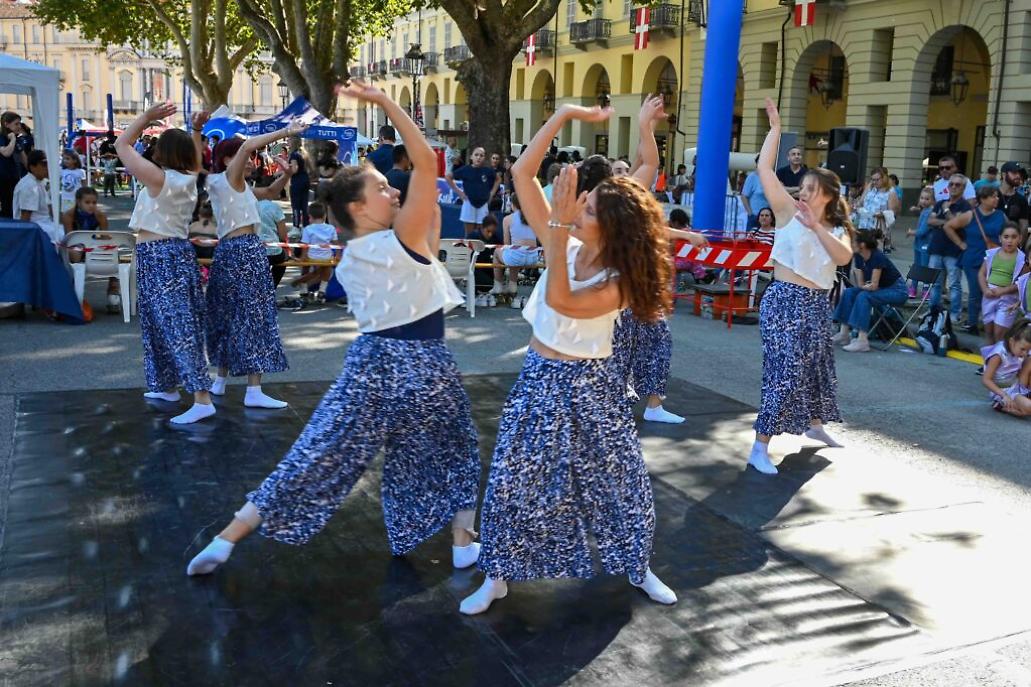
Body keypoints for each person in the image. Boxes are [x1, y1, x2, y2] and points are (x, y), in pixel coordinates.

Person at [186, 80, 481, 579]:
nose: (392, 190)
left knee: (319, 454)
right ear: (359, 208)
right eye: (381, 188)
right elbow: (427, 165)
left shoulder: (360, 253)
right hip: (423, 365)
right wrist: (386, 103)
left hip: (371, 364)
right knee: (457, 450)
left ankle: (226, 537)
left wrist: (423, 199)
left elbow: (426, 221)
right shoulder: (398, 242)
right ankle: (461, 541)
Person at [460, 103, 677, 616]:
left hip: (593, 381)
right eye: (584, 200)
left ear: (613, 227)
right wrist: (561, 115)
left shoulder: (620, 277)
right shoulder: (565, 231)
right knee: (515, 476)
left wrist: (555, 230)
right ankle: (497, 574)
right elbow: (521, 172)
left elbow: (562, 299)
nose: (580, 206)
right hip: (540, 374)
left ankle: (638, 565)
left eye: (592, 207)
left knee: (618, 479)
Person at [748, 98, 854, 476]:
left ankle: (814, 424)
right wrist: (775, 130)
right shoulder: (786, 212)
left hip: (816, 303)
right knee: (784, 371)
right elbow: (763, 168)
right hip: (783, 299)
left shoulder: (835, 228)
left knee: (816, 367)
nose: (803, 192)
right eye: (803, 186)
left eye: (811, 188)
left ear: (828, 195)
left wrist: (817, 227)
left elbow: (842, 258)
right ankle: (760, 446)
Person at [114, 102, 215, 425]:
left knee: (176, 324)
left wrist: (145, 118)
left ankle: (202, 397)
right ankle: (166, 385)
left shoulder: (160, 179)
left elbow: (121, 145)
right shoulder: (185, 178)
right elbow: (197, 161)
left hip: (161, 255)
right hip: (163, 254)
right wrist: (196, 131)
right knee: (160, 323)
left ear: (163, 152)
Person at [200, 120, 306, 409]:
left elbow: (270, 193)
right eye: (245, 157)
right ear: (226, 159)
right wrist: (287, 131)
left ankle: (220, 381)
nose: (251, 160)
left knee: (226, 316)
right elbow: (247, 144)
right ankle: (253, 389)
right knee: (255, 318)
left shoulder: (233, 185)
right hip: (245, 251)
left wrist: (286, 176)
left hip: (230, 252)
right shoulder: (228, 179)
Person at [831, 232, 907, 352]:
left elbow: (874, 286)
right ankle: (843, 334)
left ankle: (862, 341)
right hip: (879, 289)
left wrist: (865, 286)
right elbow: (861, 284)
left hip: (897, 290)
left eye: (853, 242)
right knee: (849, 292)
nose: (850, 244)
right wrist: (861, 280)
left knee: (864, 296)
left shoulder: (877, 256)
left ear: (862, 245)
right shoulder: (858, 256)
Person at [63, 187, 121, 313]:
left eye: (94, 203)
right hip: (75, 245)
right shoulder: (69, 215)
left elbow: (105, 237)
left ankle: (113, 289)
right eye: (87, 202)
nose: (91, 206)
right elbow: (69, 238)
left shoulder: (99, 216)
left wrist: (105, 247)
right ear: (78, 202)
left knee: (113, 254)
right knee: (75, 253)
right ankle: (72, 287)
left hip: (92, 244)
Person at [927, 174, 974, 322]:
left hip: (953, 251)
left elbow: (956, 222)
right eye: (951, 184)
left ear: (964, 188)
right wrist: (947, 220)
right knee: (934, 284)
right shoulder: (939, 202)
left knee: (954, 284)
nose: (953, 187)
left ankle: (955, 314)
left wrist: (947, 212)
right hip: (936, 248)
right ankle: (932, 312)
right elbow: (930, 221)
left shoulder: (965, 206)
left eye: (957, 185)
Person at [962, 187, 1007, 332]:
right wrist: (960, 244)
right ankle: (972, 322)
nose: (997, 199)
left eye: (997, 196)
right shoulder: (971, 214)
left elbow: (1009, 232)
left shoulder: (1001, 215)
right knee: (975, 292)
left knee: (992, 293)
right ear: (982, 199)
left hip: (994, 260)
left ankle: (987, 322)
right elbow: (949, 226)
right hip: (974, 257)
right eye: (993, 196)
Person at [979, 223, 1027, 345]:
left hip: (1008, 299)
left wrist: (1003, 291)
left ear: (1019, 238)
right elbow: (982, 274)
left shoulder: (1022, 259)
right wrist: (985, 290)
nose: (1009, 241)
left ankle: (1000, 360)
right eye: (1006, 237)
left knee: (999, 333)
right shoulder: (992, 254)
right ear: (1000, 238)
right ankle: (989, 361)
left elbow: (1022, 282)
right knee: (989, 331)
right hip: (989, 295)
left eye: (1013, 237)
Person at [490, 193, 540, 305]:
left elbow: (507, 244)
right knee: (516, 253)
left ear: (513, 204)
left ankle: (498, 286)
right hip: (533, 257)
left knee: (498, 251)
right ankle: (512, 287)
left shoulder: (507, 219)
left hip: (516, 256)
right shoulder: (534, 218)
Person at [980, 318, 1031, 417]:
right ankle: (1003, 405)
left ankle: (1023, 403)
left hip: (1016, 385)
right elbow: (986, 380)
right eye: (1023, 349)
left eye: (1028, 350)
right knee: (1029, 407)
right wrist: (1004, 395)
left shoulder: (1018, 350)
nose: (1025, 353)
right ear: (1012, 341)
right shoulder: (998, 354)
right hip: (1004, 391)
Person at [447, 146, 500, 238]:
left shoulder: (487, 171)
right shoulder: (465, 169)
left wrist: (492, 193)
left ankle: (480, 250)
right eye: (476, 155)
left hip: (483, 203)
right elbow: (448, 177)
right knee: (469, 232)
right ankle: (469, 249)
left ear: (484, 158)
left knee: (482, 231)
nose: (478, 157)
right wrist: (459, 192)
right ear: (471, 157)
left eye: (481, 155)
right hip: (469, 202)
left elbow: (498, 179)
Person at [13, 150, 61, 247]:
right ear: (32, 167)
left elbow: (49, 209)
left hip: (45, 225)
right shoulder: (29, 186)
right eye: (43, 164)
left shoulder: (40, 182)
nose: (47, 167)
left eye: (47, 164)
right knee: (65, 238)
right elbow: (25, 219)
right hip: (37, 230)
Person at [292, 201, 339, 295]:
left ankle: (303, 288)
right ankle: (322, 289)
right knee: (327, 269)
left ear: (310, 216)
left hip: (311, 256)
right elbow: (335, 243)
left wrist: (302, 257)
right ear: (324, 216)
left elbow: (305, 245)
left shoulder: (308, 229)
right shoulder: (331, 228)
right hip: (326, 256)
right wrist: (337, 254)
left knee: (305, 267)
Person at [855, 167, 901, 252]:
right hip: (863, 225)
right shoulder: (870, 187)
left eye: (877, 179)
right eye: (872, 179)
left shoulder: (891, 192)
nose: (874, 182)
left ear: (884, 178)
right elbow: (861, 202)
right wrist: (856, 206)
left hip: (876, 227)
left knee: (873, 252)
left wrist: (882, 214)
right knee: (861, 251)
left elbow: (893, 212)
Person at [907, 187, 935, 297]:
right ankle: (913, 288)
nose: (923, 201)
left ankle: (925, 290)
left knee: (923, 267)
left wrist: (911, 232)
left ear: (932, 200)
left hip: (925, 244)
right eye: (922, 198)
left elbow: (923, 231)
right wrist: (916, 209)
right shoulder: (925, 210)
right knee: (917, 265)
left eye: (927, 199)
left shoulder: (930, 213)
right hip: (919, 244)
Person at [257, 197, 290, 287]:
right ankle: (271, 287)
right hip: (273, 251)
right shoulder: (275, 207)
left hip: (254, 251)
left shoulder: (249, 207)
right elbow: (283, 235)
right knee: (283, 261)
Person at [0, 112, 28, 218]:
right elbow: (6, 153)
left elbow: (25, 160)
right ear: (6, 124)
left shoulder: (17, 139)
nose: (19, 127)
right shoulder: (2, 138)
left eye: (19, 124)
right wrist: (12, 140)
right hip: (3, 179)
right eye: (16, 124)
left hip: (14, 178)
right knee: (6, 208)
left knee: (14, 207)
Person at [998, 161, 1029, 241]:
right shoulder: (992, 195)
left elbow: (1024, 225)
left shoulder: (1021, 200)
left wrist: (1019, 245)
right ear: (1004, 175)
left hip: (1010, 245)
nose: (1018, 176)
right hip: (989, 245)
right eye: (1014, 173)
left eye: (1019, 173)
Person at [288, 136, 311, 228]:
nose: (288, 142)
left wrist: (284, 171)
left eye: (289, 140)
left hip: (296, 181)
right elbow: (310, 168)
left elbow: (294, 169)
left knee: (296, 206)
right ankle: (306, 226)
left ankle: (296, 226)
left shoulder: (294, 155)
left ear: (293, 142)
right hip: (305, 179)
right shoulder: (304, 153)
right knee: (304, 206)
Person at [741, 155, 770, 228]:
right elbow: (744, 196)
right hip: (755, 216)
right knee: (751, 238)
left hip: (768, 217)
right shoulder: (752, 177)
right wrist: (750, 213)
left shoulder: (770, 177)